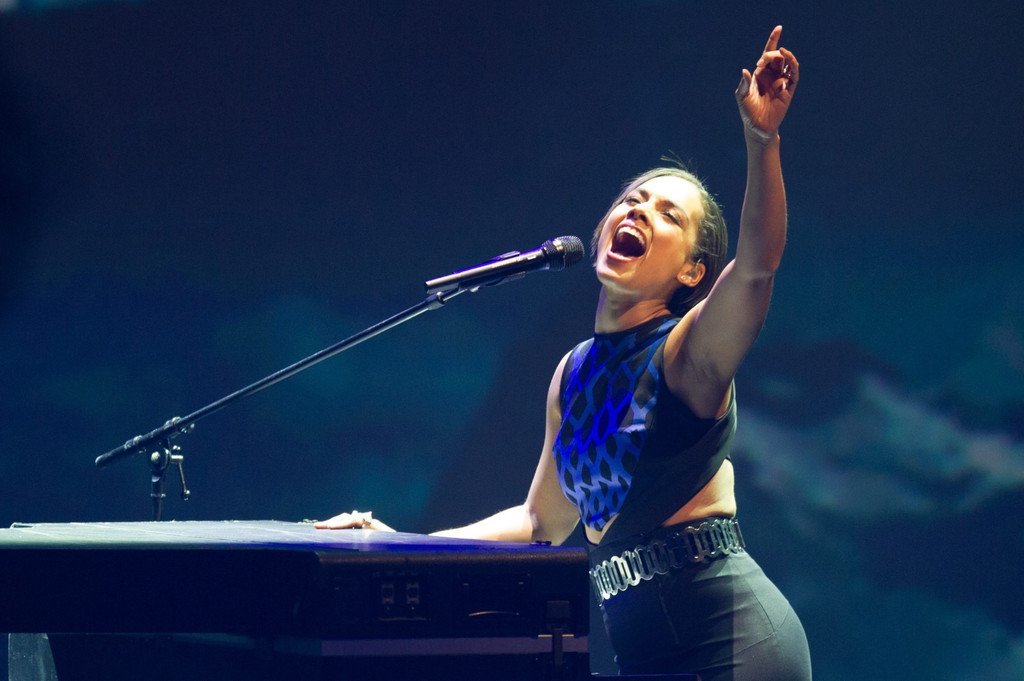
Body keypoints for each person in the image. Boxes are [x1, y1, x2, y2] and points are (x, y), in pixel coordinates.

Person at [317, 25, 810, 680]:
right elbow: (538, 522)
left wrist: (762, 140)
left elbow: (755, 266)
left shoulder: (688, 353)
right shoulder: (572, 374)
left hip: (734, 643)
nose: (639, 211)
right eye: (631, 200)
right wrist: (398, 546)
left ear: (693, 271)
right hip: (645, 655)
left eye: (668, 214)